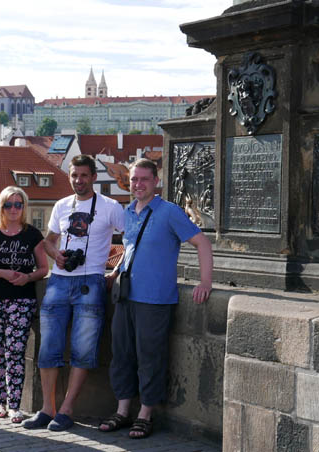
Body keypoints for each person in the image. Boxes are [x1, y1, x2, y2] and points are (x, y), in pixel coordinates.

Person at [99, 158, 213, 439]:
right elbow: (130, 249)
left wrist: (206, 282)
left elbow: (202, 243)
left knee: (150, 357)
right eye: (134, 179)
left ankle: (145, 414)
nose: (138, 184)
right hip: (126, 295)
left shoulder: (169, 211)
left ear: (155, 182)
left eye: (144, 180)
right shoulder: (128, 212)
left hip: (155, 298)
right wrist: (115, 271)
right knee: (122, 355)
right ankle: (123, 410)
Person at [23, 154, 124, 432]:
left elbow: (131, 240)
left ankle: (66, 410)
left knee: (83, 349)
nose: (78, 180)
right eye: (74, 175)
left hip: (91, 281)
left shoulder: (111, 207)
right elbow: (48, 240)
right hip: (58, 280)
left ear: (93, 177)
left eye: (83, 175)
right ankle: (47, 408)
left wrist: (115, 272)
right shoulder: (60, 205)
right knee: (48, 348)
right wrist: (57, 255)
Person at [0, 186, 48, 424]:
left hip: (22, 300)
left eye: (18, 204)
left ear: (24, 207)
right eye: (9, 204)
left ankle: (14, 405)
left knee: (15, 351)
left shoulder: (33, 234)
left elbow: (44, 269)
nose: (14, 209)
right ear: (1, 207)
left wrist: (28, 277)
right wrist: (3, 273)